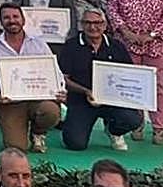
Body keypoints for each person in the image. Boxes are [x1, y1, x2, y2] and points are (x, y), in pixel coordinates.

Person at [106, 0, 163, 145]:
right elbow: (112, 9)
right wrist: (126, 32)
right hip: (126, 43)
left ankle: (159, 127)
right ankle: (136, 124)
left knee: (158, 86)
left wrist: (151, 35)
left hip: (155, 45)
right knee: (131, 85)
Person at [58, 9, 144, 152]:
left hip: (112, 100)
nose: (93, 27)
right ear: (81, 25)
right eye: (88, 23)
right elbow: (64, 79)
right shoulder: (70, 46)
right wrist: (86, 91)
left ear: (104, 25)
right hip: (81, 100)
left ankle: (114, 131)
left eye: (97, 23)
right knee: (75, 144)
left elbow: (130, 76)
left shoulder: (117, 46)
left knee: (134, 119)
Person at [0, 3, 64, 153]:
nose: (12, 20)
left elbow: (54, 70)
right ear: (1, 22)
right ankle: (19, 131)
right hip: (11, 102)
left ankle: (38, 132)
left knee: (51, 112)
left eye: (15, 16)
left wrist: (60, 89)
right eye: (6, 17)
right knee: (16, 148)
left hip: (37, 99)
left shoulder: (38, 42)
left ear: (23, 20)